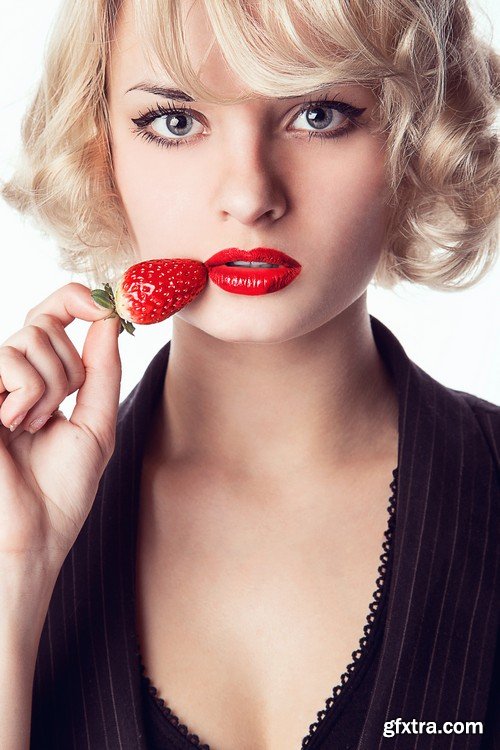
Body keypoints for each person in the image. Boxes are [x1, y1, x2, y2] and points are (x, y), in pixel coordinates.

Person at [0, 0, 498, 748]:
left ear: (413, 137)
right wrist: (16, 575)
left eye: (321, 113)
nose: (249, 196)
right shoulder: (22, 516)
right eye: (175, 122)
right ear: (101, 150)